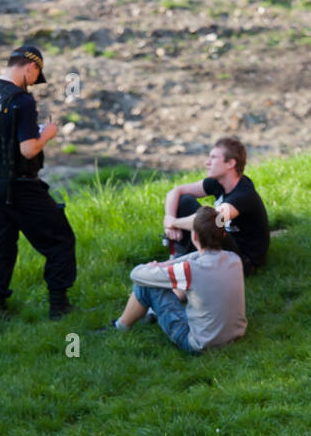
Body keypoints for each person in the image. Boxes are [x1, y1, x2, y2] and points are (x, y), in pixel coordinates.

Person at [0, 42, 76, 319]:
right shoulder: (22, 101)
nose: (33, 84)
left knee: (0, 243)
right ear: (31, 68)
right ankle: (59, 306)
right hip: (21, 186)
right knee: (60, 239)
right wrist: (47, 134)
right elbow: (28, 149)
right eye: (35, 77)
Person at [109, 206, 246, 355]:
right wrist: (164, 264)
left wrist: (151, 266)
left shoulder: (189, 270)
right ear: (223, 233)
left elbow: (136, 274)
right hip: (236, 335)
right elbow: (196, 257)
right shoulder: (234, 259)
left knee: (145, 287)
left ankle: (120, 326)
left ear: (194, 237)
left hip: (199, 344)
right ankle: (143, 316)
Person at [163, 136, 270, 276]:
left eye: (213, 158)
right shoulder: (218, 183)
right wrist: (169, 218)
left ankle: (184, 265)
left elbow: (213, 222)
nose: (207, 163)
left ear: (230, 163)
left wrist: (174, 223)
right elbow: (176, 191)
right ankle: (180, 257)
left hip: (242, 261)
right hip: (224, 245)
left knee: (209, 224)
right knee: (185, 201)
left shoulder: (243, 195)